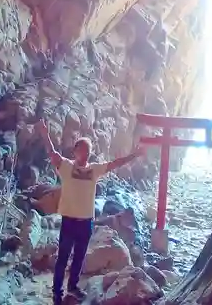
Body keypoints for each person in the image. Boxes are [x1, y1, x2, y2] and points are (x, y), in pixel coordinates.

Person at [37, 120, 145, 304]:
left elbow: (113, 164)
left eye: (88, 150)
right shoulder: (66, 166)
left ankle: (73, 287)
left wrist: (133, 155)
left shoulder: (94, 169)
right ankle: (57, 292)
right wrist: (45, 134)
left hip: (86, 221)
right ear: (75, 151)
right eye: (82, 149)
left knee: (79, 257)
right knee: (63, 258)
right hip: (69, 220)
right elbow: (52, 153)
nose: (85, 153)